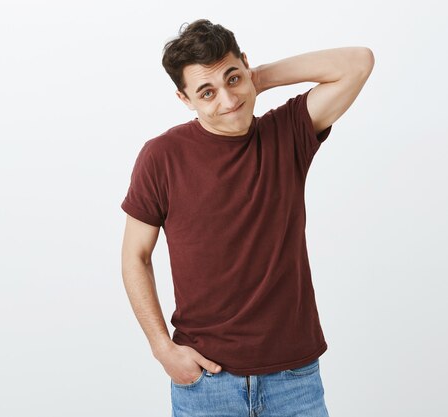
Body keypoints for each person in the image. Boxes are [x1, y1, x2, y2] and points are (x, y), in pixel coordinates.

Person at [120, 19, 374, 417]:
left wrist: (259, 78)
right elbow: (135, 255)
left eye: (233, 79)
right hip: (206, 384)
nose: (228, 99)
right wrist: (161, 347)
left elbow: (358, 62)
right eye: (207, 92)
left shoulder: (287, 132)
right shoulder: (161, 157)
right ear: (185, 99)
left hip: (295, 380)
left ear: (246, 66)